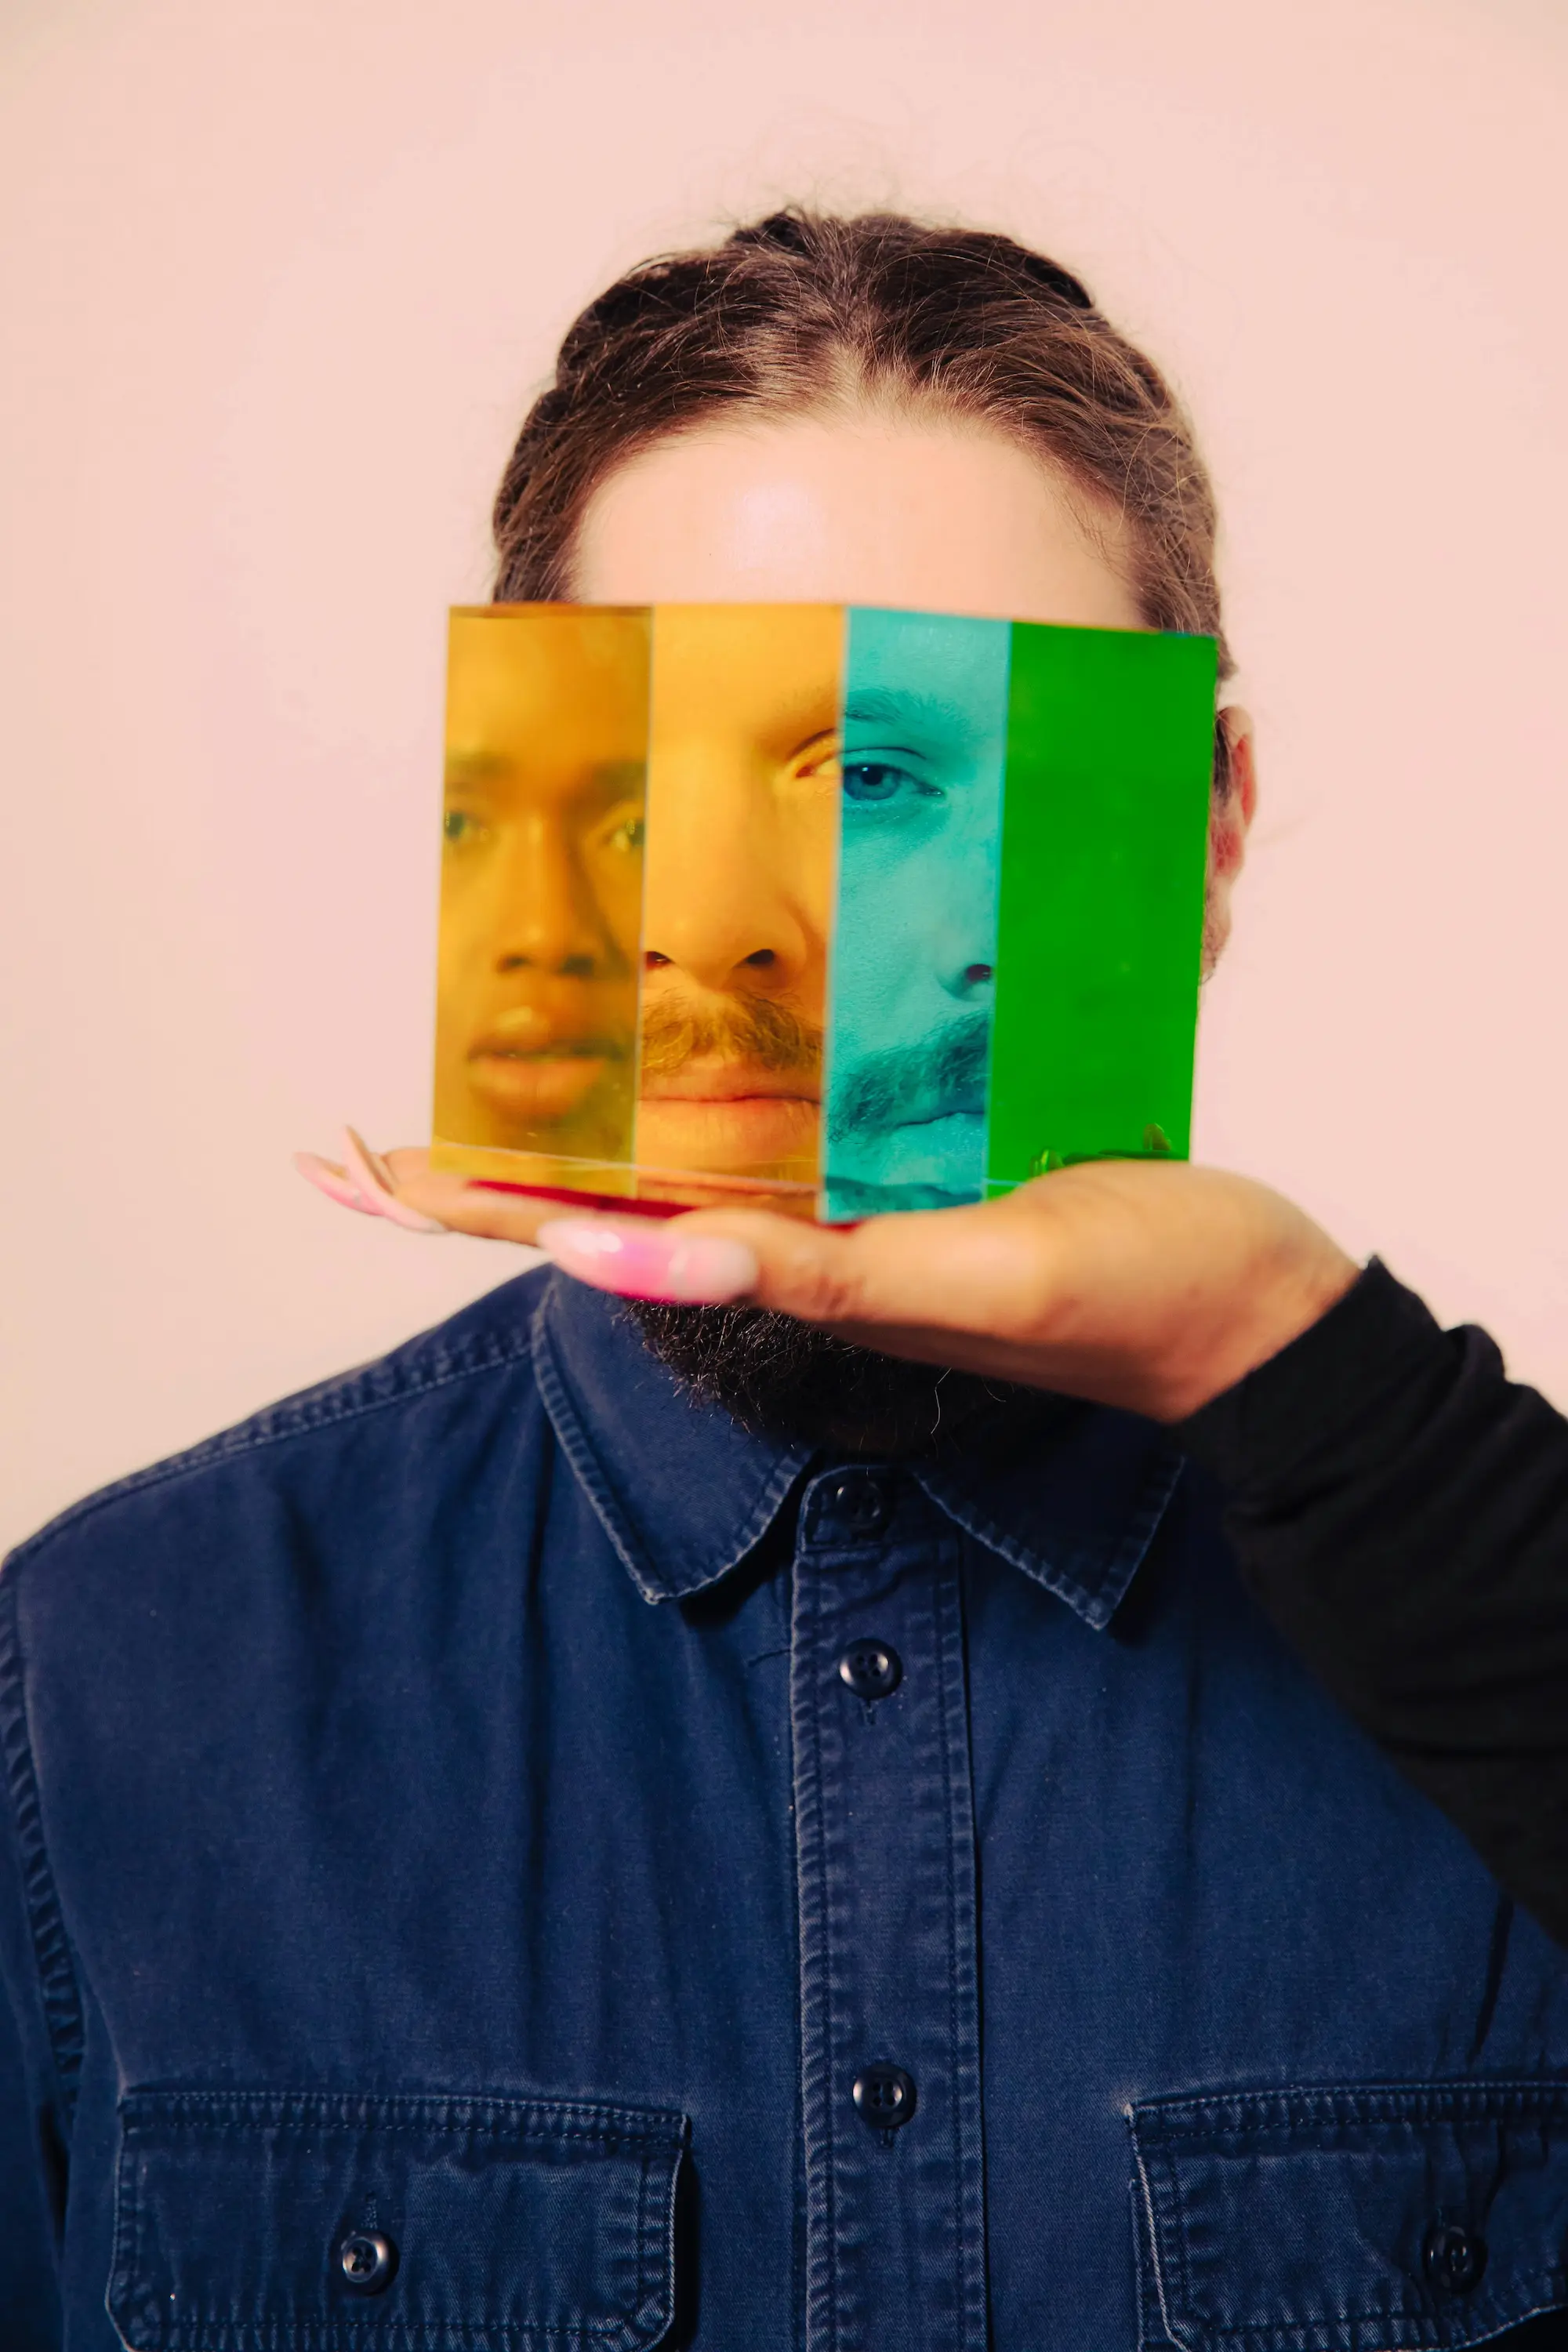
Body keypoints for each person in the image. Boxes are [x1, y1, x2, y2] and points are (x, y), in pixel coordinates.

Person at [9, 210, 1568, 2352]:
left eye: (891, 776)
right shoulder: (105, 1670)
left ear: (1205, 833)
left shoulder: (1484, 1628)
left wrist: (1307, 1369)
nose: (743, 928)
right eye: (641, 771)